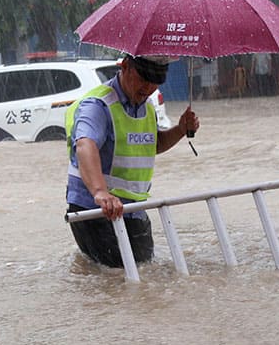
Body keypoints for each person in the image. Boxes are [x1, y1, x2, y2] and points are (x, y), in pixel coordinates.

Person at [66, 55, 200, 267]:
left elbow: (152, 145)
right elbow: (85, 145)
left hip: (133, 209)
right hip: (96, 210)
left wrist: (181, 129)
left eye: (155, 82)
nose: (148, 88)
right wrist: (100, 192)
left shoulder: (146, 107)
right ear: (125, 66)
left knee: (145, 270)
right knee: (116, 277)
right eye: (143, 79)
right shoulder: (97, 106)